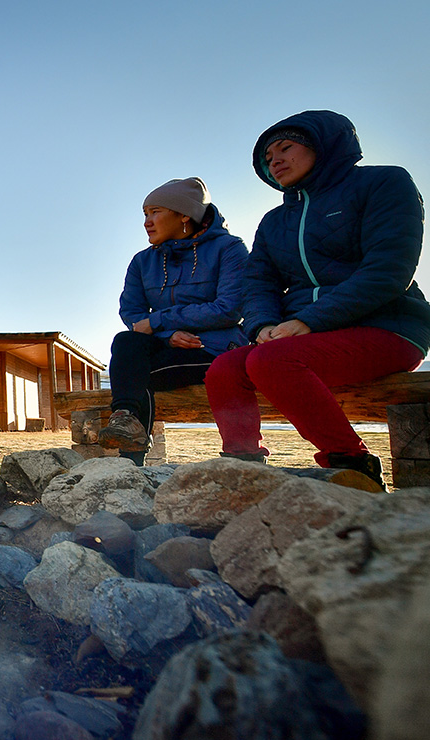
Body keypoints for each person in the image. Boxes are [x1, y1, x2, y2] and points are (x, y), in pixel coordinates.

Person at [204, 110, 430, 487]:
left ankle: (351, 464)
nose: (273, 160)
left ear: (323, 146)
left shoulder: (384, 182)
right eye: (267, 157)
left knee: (273, 362)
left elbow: (389, 269)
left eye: (286, 148)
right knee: (226, 369)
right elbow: (258, 283)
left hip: (389, 326)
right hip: (302, 337)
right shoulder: (274, 222)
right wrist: (262, 325)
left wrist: (311, 320)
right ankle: (244, 471)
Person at [97, 178, 249, 464]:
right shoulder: (143, 261)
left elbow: (229, 308)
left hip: (215, 349)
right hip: (167, 348)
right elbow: (132, 314)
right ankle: (125, 421)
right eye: (145, 214)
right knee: (125, 341)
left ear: (184, 215)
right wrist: (167, 336)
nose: (147, 222)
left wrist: (161, 321)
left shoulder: (229, 249)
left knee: (134, 375)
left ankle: (130, 461)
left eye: (155, 212)